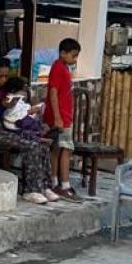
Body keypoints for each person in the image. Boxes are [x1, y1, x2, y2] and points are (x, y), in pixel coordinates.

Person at [0, 59, 60, 205]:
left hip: (7, 129)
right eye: (0, 76)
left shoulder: (4, 91)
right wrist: (2, 107)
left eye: (6, 76)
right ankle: (31, 190)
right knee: (32, 146)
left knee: (42, 145)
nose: (3, 80)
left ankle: (44, 185)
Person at [45, 38, 81, 199]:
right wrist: (58, 117)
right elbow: (53, 92)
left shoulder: (63, 67)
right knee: (66, 148)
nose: (74, 59)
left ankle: (54, 182)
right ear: (63, 53)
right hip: (61, 117)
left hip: (64, 115)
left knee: (57, 148)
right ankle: (64, 184)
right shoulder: (58, 68)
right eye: (73, 56)